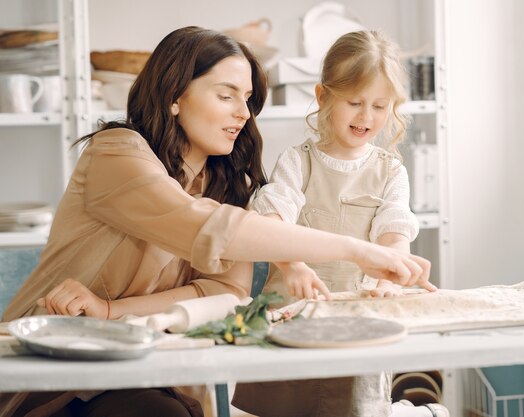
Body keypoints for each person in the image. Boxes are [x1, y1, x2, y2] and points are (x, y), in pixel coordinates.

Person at [0, 26, 432, 417]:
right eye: (226, 95)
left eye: (246, 99)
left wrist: (111, 311)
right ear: (175, 95)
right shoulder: (117, 153)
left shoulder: (223, 182)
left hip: (141, 368)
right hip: (51, 369)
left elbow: (224, 290)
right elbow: (201, 226)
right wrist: (357, 249)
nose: (243, 113)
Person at [233, 30, 448, 417]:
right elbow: (270, 221)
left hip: (358, 326)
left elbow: (394, 235)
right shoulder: (297, 162)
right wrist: (291, 264)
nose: (367, 117)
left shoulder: (391, 172)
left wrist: (388, 278)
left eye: (380, 106)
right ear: (322, 97)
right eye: (355, 102)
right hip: (290, 323)